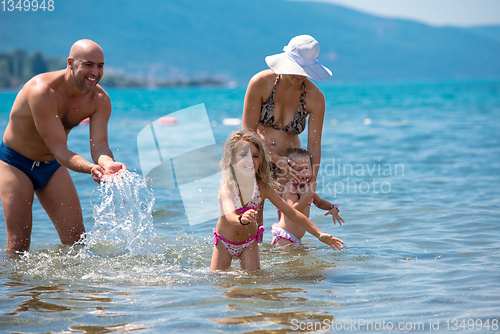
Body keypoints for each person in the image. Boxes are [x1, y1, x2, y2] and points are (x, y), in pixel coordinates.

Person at [0, 39, 126, 253]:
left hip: (52, 166)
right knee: (19, 243)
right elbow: (60, 150)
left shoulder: (99, 98)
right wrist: (90, 169)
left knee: (77, 242)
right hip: (16, 163)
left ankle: (70, 286)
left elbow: (100, 147)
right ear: (70, 62)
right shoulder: (42, 90)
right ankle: (14, 286)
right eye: (88, 64)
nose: (95, 72)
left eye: (100, 66)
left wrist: (108, 164)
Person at [210, 131, 343, 271]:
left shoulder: (263, 188)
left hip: (249, 243)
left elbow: (292, 213)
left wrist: (319, 234)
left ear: (261, 160)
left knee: (253, 284)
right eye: (244, 155)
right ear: (232, 159)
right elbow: (229, 214)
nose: (250, 160)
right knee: (219, 283)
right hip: (224, 242)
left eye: (255, 156)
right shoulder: (228, 187)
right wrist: (241, 219)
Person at [272, 148, 344, 246]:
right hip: (285, 237)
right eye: (299, 169)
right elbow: (292, 211)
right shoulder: (291, 187)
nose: (305, 172)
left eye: (307, 167)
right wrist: (308, 194)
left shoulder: (307, 187)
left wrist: (333, 207)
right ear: (289, 171)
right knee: (287, 261)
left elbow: (320, 202)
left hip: (296, 238)